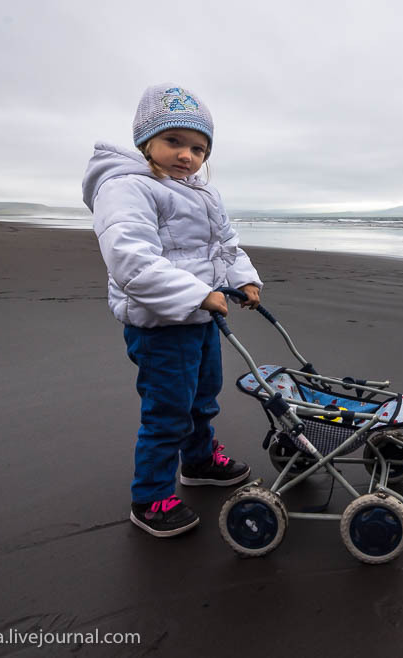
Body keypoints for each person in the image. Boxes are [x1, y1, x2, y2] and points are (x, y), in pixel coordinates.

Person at [82, 83, 263, 538]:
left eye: (199, 148)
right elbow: (131, 261)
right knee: (167, 410)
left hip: (202, 317)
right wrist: (196, 294)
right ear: (147, 141)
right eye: (174, 142)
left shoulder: (202, 192)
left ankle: (199, 460)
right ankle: (151, 497)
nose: (187, 156)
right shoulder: (127, 188)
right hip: (162, 324)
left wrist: (244, 278)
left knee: (204, 395)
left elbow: (225, 244)